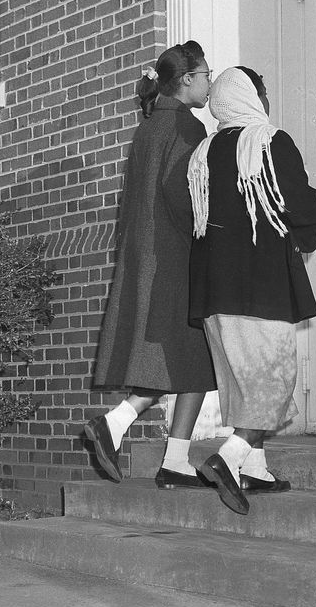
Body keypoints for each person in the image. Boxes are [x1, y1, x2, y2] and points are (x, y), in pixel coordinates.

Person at [187, 67, 316, 515]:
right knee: (274, 378)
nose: (265, 100)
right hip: (260, 286)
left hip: (213, 290)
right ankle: (227, 458)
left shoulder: (203, 152)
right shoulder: (269, 141)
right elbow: (299, 206)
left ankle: (255, 469)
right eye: (261, 92)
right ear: (250, 97)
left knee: (244, 384)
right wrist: (311, 220)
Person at [80, 42, 217, 488]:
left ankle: (145, 441)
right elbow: (184, 196)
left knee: (182, 358)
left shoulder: (149, 126)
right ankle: (131, 431)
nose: (210, 83)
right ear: (187, 80)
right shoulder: (187, 126)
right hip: (176, 257)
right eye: (206, 75)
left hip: (148, 255)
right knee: (195, 355)